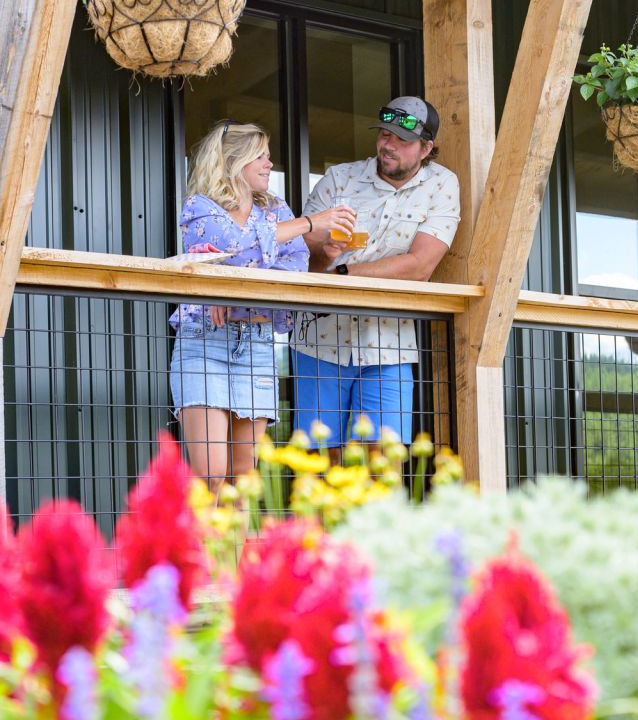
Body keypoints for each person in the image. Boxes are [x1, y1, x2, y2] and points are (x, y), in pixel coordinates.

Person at [170, 120, 356, 490]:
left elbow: (294, 264)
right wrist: (307, 223)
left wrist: (231, 289)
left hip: (256, 343)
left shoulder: (276, 209)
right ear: (234, 160)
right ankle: (201, 550)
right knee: (210, 473)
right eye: (262, 156)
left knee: (244, 475)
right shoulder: (199, 207)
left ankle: (235, 551)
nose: (270, 164)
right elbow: (234, 247)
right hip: (205, 341)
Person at [292, 96, 460, 445]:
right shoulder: (339, 179)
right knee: (319, 459)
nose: (388, 144)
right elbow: (301, 260)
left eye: (402, 139)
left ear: (426, 148)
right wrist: (325, 254)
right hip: (319, 340)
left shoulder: (442, 185)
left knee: (383, 460)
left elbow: (419, 267)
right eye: (384, 134)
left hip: (391, 343)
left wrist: (344, 273)